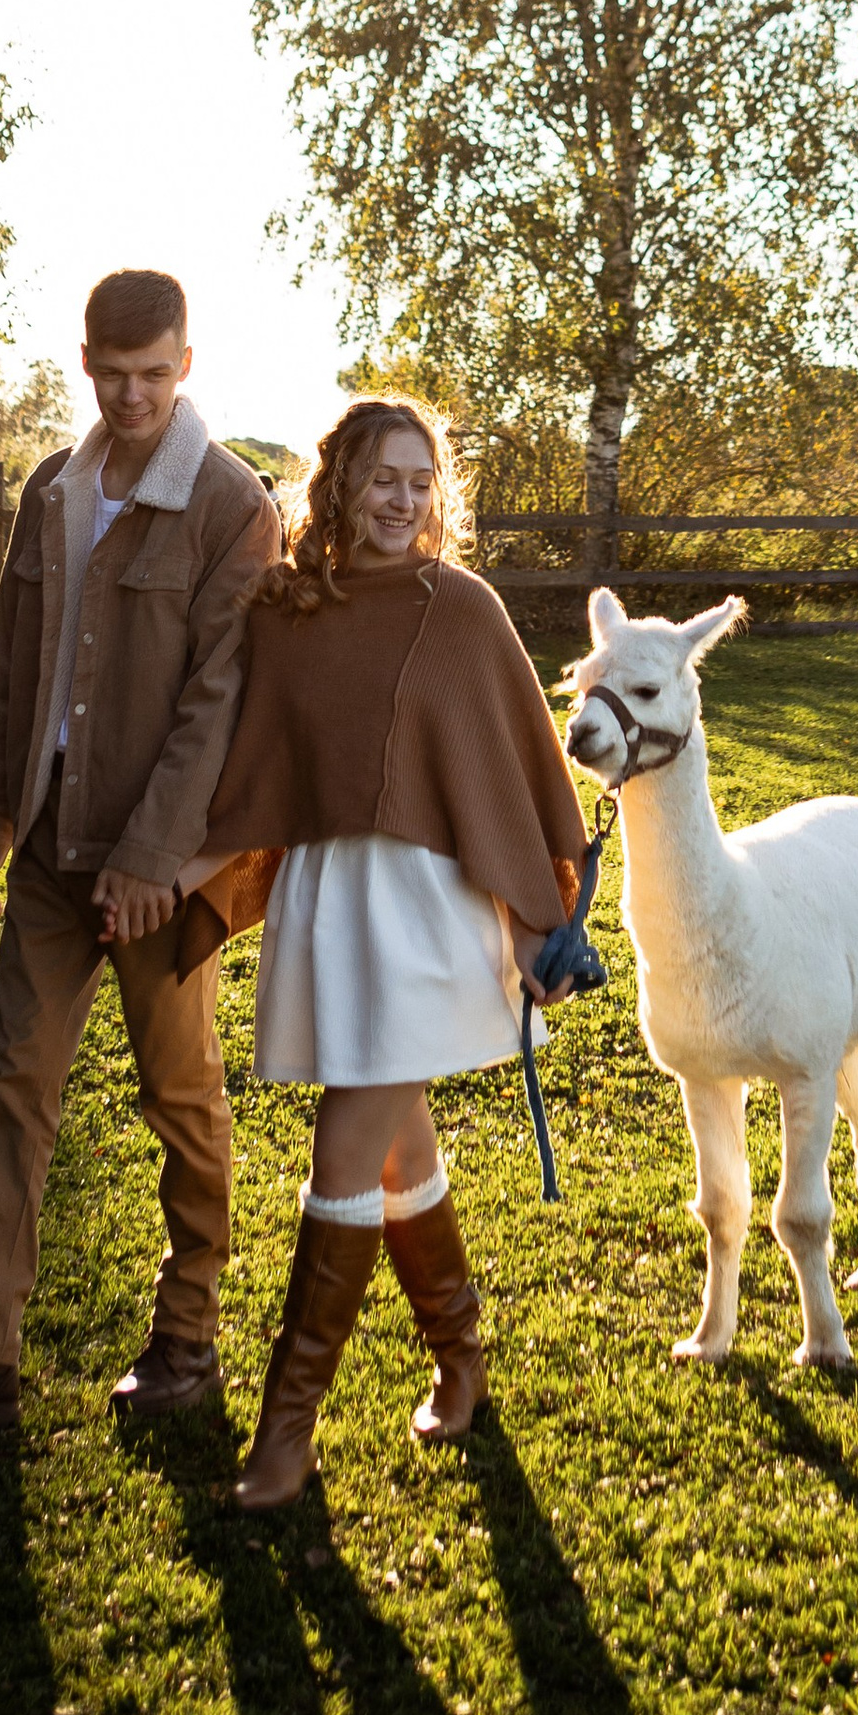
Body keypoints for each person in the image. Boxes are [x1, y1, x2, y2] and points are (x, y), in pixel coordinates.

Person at [0, 267, 283, 1432]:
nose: (132, 395)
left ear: (185, 364)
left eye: (153, 373)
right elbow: (7, 670)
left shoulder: (231, 504)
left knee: (180, 1097)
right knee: (16, 1088)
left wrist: (152, 859)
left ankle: (186, 1340)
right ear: (85, 362)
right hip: (49, 844)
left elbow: (218, 701)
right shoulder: (51, 489)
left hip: (159, 872)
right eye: (113, 373)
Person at [180, 392, 590, 1511]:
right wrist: (174, 865)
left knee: (344, 1147)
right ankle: (461, 1356)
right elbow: (254, 760)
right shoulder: (288, 607)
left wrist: (537, 917)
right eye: (382, 481)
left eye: (420, 482)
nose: (403, 501)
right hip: (330, 905)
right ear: (340, 487)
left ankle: (285, 1430)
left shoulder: (461, 608)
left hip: (433, 914)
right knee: (400, 1151)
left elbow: (511, 767)